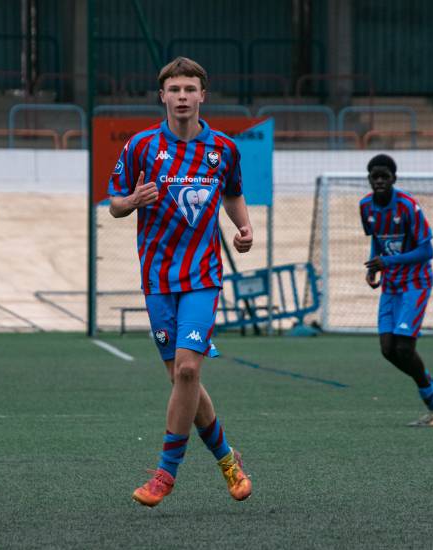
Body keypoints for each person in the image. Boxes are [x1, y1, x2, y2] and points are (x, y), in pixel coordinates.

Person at [107, 57, 253, 506]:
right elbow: (113, 203)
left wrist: (244, 228)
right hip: (157, 278)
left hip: (203, 276)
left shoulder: (223, 149)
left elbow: (232, 191)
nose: (183, 96)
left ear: (203, 95)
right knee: (181, 379)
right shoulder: (141, 146)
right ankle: (228, 459)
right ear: (163, 96)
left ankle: (165, 474)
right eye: (175, 90)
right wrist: (132, 199)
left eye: (191, 88)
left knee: (189, 369)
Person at [359, 154, 433, 427]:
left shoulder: (408, 207)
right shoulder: (365, 206)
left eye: (384, 177)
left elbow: (427, 250)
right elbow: (377, 239)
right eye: (374, 177)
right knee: (388, 349)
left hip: (416, 282)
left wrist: (386, 261)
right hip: (391, 284)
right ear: (369, 179)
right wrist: (373, 268)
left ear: (394, 179)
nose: (379, 181)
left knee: (404, 346)